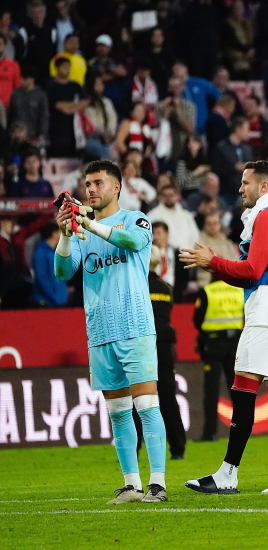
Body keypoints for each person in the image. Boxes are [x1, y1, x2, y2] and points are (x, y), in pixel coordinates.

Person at [180, 161, 268, 495]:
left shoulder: (267, 216)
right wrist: (216, 266)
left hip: (267, 313)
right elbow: (253, 273)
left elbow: (251, 269)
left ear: (263, 186)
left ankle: (228, 474)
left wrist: (214, 263)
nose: (240, 189)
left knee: (242, 391)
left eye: (245, 182)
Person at [54, 160, 167, 504]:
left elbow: (132, 243)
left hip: (135, 326)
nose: (91, 189)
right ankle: (132, 485)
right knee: (118, 412)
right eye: (88, 184)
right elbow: (63, 272)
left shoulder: (136, 219)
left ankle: (158, 485)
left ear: (116, 187)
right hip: (100, 332)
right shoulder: (82, 231)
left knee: (146, 405)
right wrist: (65, 235)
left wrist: (89, 223)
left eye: (98, 183)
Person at [193, 275, 244, 442]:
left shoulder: (207, 291)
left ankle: (210, 432)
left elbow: (197, 319)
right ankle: (243, 429)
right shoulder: (239, 290)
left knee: (211, 391)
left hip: (214, 343)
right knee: (237, 390)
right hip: (235, 343)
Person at [148, 245, 186, 460]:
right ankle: (178, 448)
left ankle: (132, 449)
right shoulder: (166, 288)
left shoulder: (135, 286)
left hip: (143, 347)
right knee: (168, 399)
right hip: (164, 347)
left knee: (136, 399)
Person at [45, 56, 87, 157]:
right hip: (58, 128)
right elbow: (59, 106)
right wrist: (75, 106)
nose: (67, 69)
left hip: (76, 129)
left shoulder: (75, 85)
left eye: (69, 67)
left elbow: (85, 102)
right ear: (57, 68)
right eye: (64, 67)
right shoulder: (51, 86)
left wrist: (70, 107)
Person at [32, 221, 67, 307]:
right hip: (47, 302)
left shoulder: (52, 252)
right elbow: (42, 279)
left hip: (56, 300)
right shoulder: (41, 254)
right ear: (54, 234)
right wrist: (55, 297)